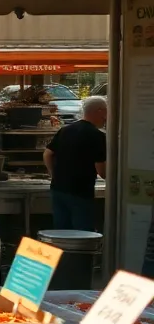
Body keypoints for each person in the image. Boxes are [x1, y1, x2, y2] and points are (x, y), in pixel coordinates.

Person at [44, 95, 107, 230]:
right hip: (80, 192)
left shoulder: (65, 130)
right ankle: (77, 252)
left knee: (61, 232)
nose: (106, 118)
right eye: (106, 112)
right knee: (82, 235)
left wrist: (53, 174)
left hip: (58, 189)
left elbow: (47, 153)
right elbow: (102, 172)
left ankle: (64, 251)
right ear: (100, 111)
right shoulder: (97, 136)